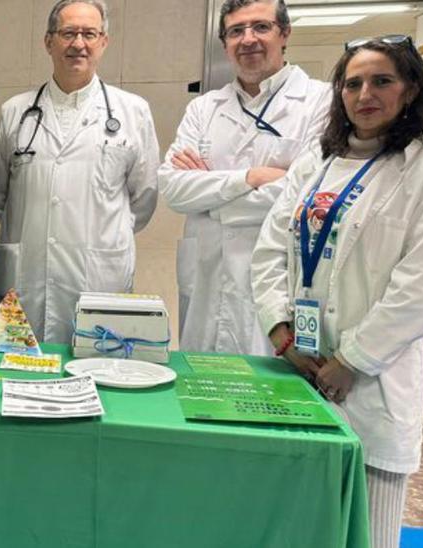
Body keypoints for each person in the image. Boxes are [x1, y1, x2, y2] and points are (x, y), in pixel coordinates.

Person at [253, 35, 423, 548]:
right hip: (301, 369)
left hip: (370, 384)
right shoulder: (315, 164)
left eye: (382, 81)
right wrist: (282, 333)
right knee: (302, 524)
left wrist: (352, 360)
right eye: (353, 83)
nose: (365, 94)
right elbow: (271, 250)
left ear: (410, 90)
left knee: (371, 532)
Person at [160, 0, 328, 356]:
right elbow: (173, 189)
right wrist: (250, 177)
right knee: (203, 392)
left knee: (272, 396)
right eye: (236, 31)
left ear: (284, 34)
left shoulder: (321, 102)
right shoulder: (204, 108)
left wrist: (212, 194)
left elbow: (307, 194)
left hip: (278, 281)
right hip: (208, 278)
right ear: (225, 43)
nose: (248, 39)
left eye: (260, 27)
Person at [0, 0, 159, 344]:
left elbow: (143, 199)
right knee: (18, 375)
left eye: (89, 34)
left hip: (99, 275)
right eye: (68, 33)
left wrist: (100, 234)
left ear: (103, 42)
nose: (78, 43)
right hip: (27, 277)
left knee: (97, 369)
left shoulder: (133, 112)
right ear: (48, 42)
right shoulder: (15, 112)